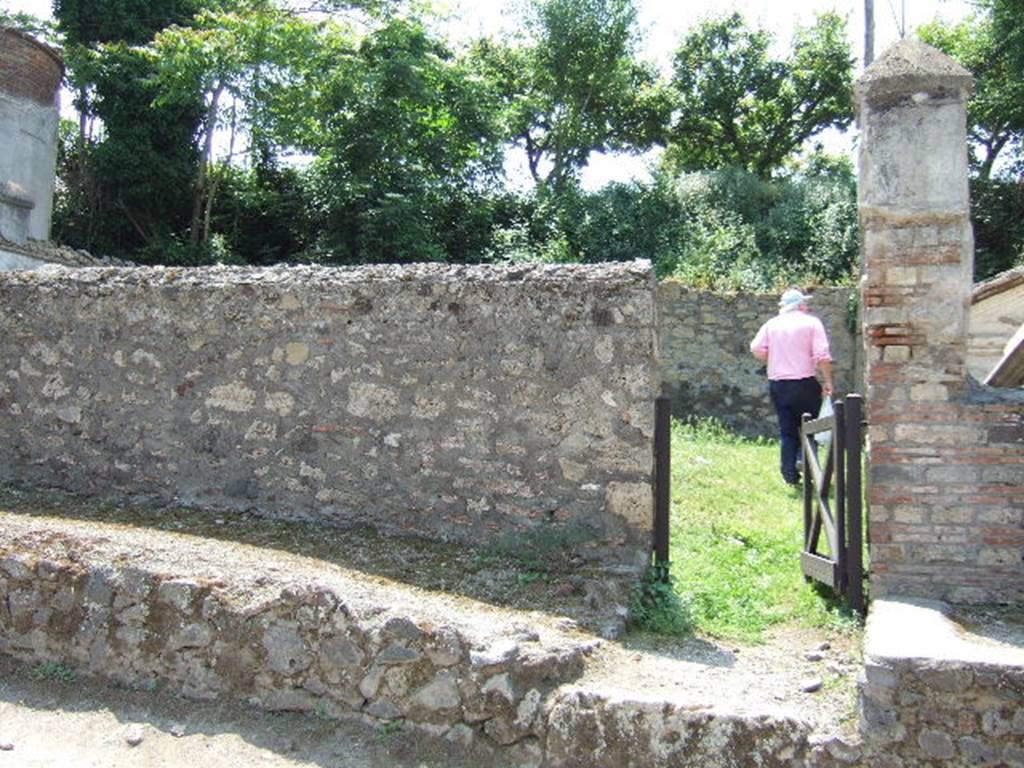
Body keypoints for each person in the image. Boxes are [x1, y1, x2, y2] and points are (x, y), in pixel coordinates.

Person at [750, 288, 834, 486]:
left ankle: (789, 474)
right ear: (800, 305)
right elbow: (822, 354)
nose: (808, 306)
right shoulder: (811, 323)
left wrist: (774, 356)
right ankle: (803, 459)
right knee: (812, 426)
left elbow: (756, 348)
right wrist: (828, 380)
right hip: (804, 382)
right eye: (805, 303)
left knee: (787, 430)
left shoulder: (772, 324)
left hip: (778, 384)